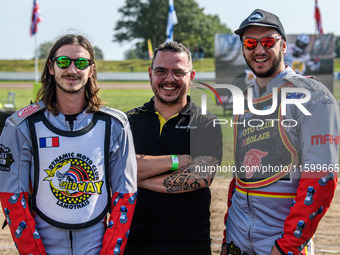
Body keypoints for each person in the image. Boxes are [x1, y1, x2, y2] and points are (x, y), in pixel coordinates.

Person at [0, 34, 137, 255]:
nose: (72, 69)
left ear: (91, 70)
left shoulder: (116, 125)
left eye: (81, 63)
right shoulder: (20, 126)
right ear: (51, 67)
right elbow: (12, 199)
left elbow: (126, 196)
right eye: (63, 61)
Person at [220, 9, 339, 255]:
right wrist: (227, 239)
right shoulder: (244, 98)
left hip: (279, 240)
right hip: (237, 238)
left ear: (283, 46)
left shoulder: (314, 95)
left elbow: (321, 179)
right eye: (250, 43)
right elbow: (240, 178)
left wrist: (287, 246)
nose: (259, 50)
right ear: (243, 49)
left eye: (268, 42)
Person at [124, 41, 223, 255]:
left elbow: (200, 177)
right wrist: (177, 161)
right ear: (150, 73)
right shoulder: (127, 122)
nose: (169, 79)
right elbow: (115, 170)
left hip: (189, 243)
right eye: (161, 71)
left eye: (178, 72)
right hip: (134, 240)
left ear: (192, 76)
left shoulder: (206, 122)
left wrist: (134, 175)